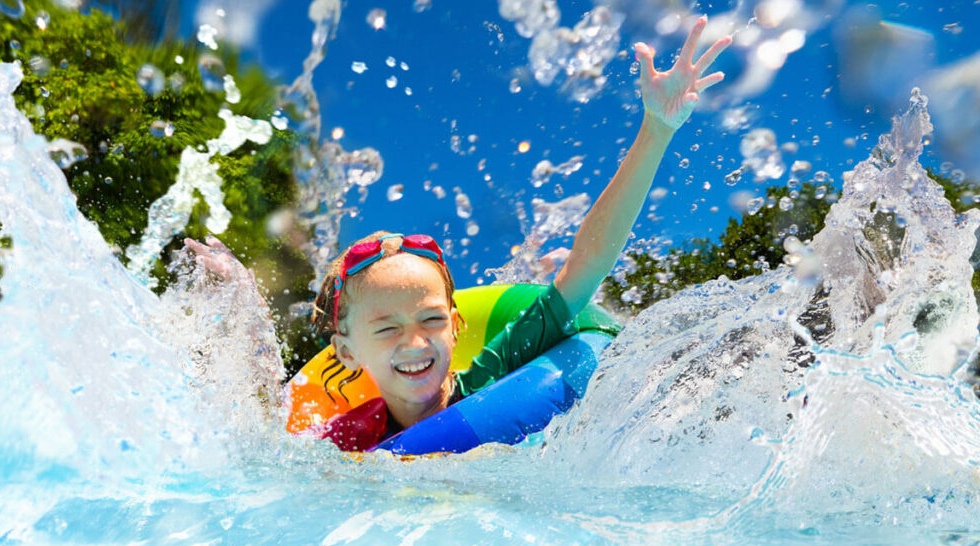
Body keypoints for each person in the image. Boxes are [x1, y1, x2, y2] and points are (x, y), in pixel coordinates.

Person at [187, 17, 731, 451]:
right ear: (346, 353)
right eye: (386, 328)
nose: (414, 342)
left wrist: (656, 130)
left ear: (456, 326)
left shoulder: (495, 374)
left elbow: (581, 273)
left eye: (430, 319)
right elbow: (258, 441)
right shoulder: (342, 439)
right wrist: (243, 312)